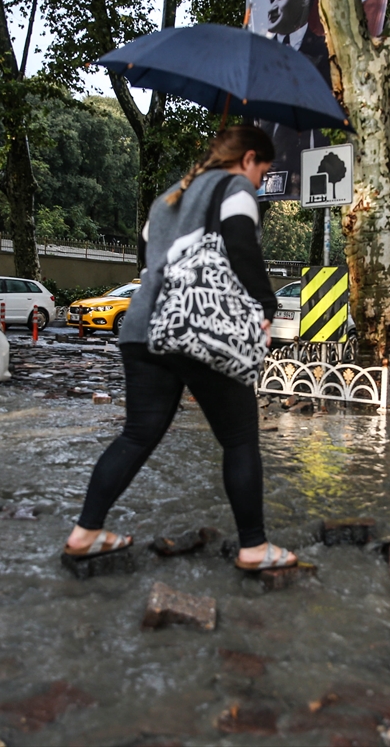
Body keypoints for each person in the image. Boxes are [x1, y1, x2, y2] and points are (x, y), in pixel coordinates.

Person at [64, 126, 298, 572]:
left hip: (141, 328)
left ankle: (86, 532)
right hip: (199, 328)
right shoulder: (233, 188)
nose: (259, 183)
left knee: (136, 435)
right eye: (262, 172)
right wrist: (265, 306)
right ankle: (253, 547)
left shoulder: (168, 197)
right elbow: (240, 244)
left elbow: (147, 258)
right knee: (240, 439)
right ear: (248, 159)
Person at [261, 0, 330, 190]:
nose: (272, 8)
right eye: (271, 0)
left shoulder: (330, 52)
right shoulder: (260, 58)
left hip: (317, 174)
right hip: (267, 178)